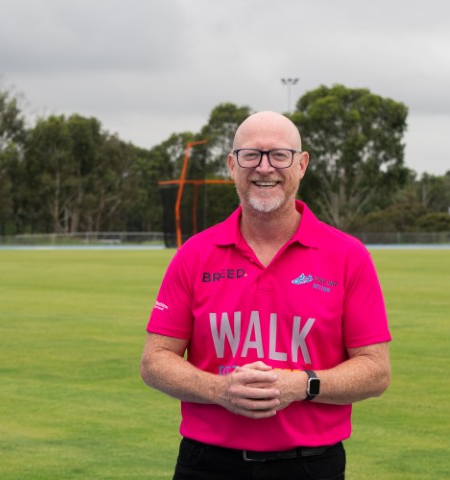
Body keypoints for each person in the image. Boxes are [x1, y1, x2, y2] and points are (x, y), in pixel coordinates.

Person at [140, 111, 391, 480]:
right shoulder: (194, 254)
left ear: (301, 164)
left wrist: (302, 385)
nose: (264, 167)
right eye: (251, 155)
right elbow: (154, 361)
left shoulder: (348, 256)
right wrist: (219, 389)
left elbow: (375, 371)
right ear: (232, 165)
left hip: (310, 465)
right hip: (207, 463)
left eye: (279, 155)